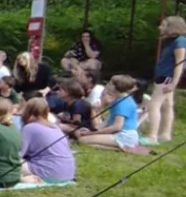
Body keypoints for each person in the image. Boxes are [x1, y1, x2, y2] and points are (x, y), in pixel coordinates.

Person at [146, 15, 186, 144]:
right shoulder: (171, 41)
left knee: (154, 105)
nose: (160, 28)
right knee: (167, 105)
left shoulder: (180, 42)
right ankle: (165, 134)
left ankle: (151, 136)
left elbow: (179, 64)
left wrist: (174, 83)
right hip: (163, 76)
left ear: (173, 27)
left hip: (166, 78)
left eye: (163, 25)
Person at [77, 75, 144, 152]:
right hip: (120, 133)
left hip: (124, 135)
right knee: (81, 138)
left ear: (117, 87)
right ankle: (124, 147)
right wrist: (92, 130)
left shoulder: (122, 103)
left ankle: (123, 148)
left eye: (110, 83)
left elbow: (117, 127)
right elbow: (110, 120)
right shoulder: (120, 99)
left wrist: (92, 133)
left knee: (83, 140)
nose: (107, 85)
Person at [19, 98, 75, 183]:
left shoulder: (29, 128)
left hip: (50, 173)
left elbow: (18, 153)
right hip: (68, 173)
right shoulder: (55, 127)